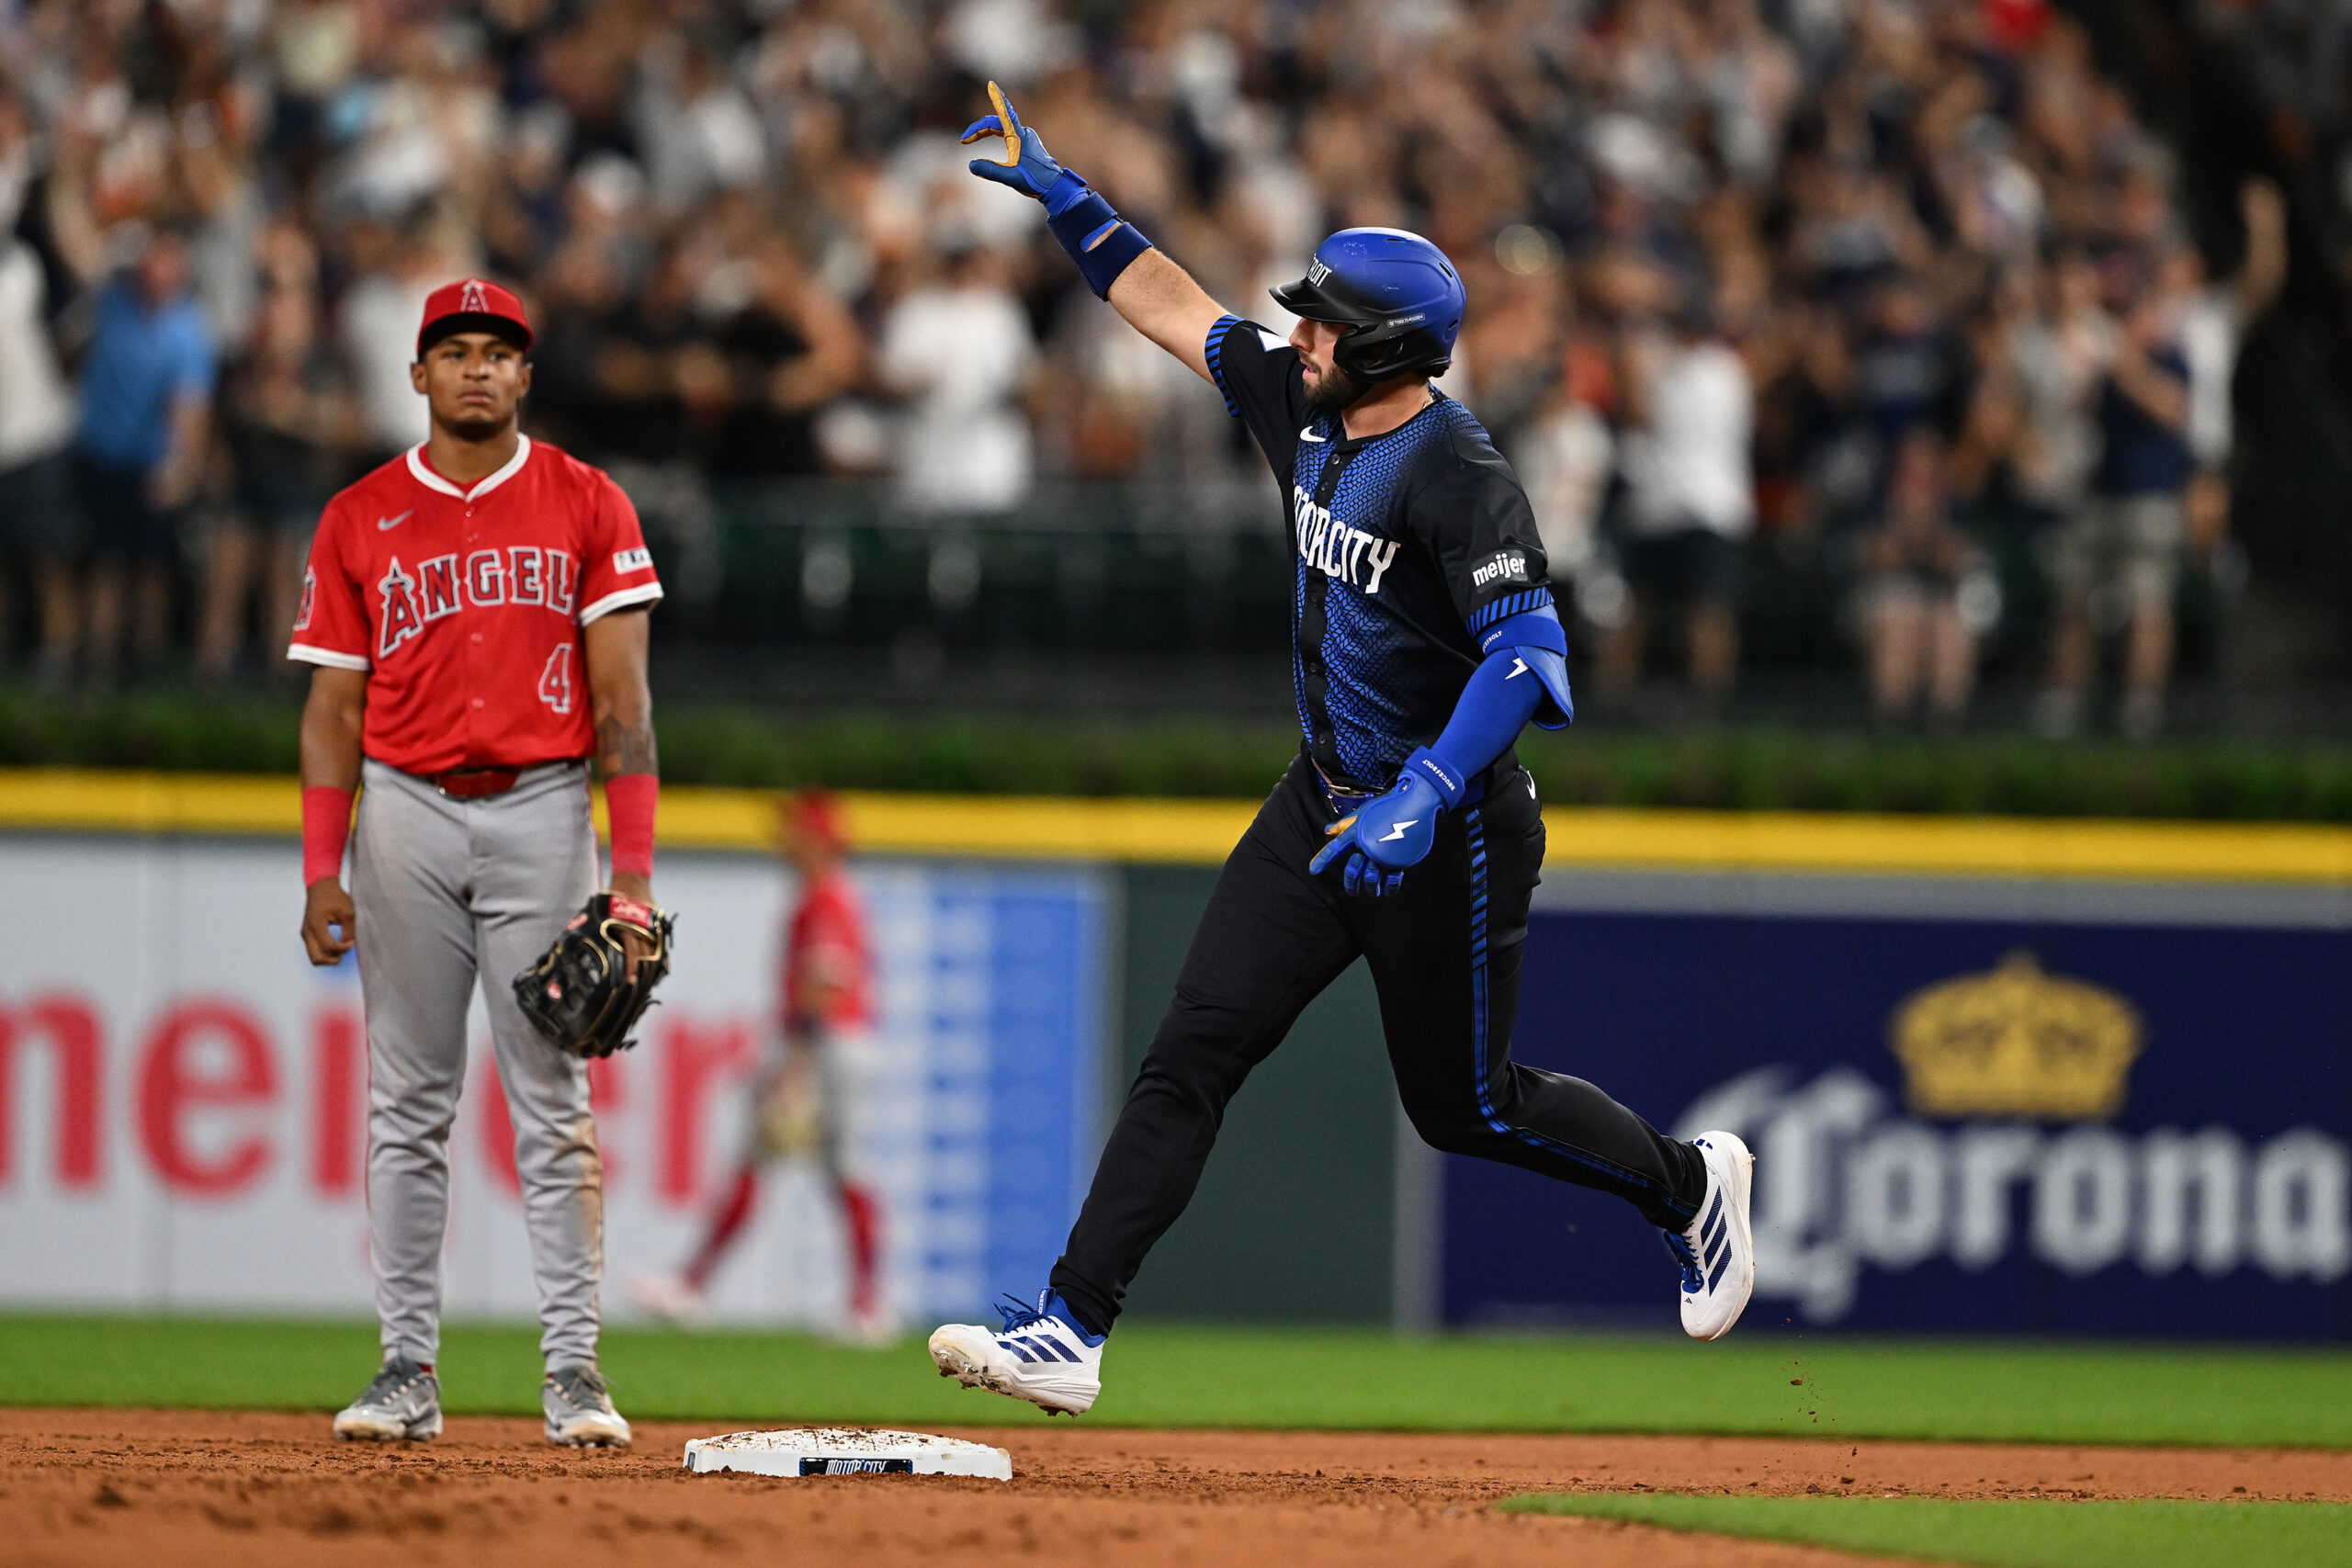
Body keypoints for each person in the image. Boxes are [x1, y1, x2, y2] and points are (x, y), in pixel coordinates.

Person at [923, 86, 1757, 1419]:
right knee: (1192, 1047)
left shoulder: (1457, 472)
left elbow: (1533, 658)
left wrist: (1426, 792)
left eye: (1320, 319)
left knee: (1467, 1108)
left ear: (1384, 349)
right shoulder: (1303, 404)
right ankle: (1072, 1324)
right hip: (1323, 799)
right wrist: (1067, 193)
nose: (1295, 332)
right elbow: (1172, 305)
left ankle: (1690, 1180)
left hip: (1451, 826)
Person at [290, 278, 665, 1448]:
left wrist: (634, 876)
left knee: (553, 1104)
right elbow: (330, 713)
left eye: (496, 352)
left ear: (525, 376)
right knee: (408, 1105)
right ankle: (406, 1368)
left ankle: (575, 1375)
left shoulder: (588, 502)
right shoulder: (359, 515)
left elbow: (625, 708)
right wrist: (320, 868)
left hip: (545, 808)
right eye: (452, 351)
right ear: (417, 376)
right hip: (399, 810)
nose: (474, 369)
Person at [632, 790, 888, 1339]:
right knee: (767, 1161)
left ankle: (867, 1307)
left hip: (828, 1046)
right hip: (829, 1043)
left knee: (841, 1168)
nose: (785, 841)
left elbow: (825, 981)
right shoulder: (827, 895)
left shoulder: (826, 898)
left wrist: (796, 1061)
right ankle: (694, 1285)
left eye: (796, 831)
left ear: (818, 839)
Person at [71, 222, 215, 684]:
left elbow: (189, 407)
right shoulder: (110, 304)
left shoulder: (187, 330)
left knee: (151, 567)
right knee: (104, 564)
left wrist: (179, 466)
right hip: (100, 454)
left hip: (151, 462)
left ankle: (146, 663)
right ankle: (97, 662)